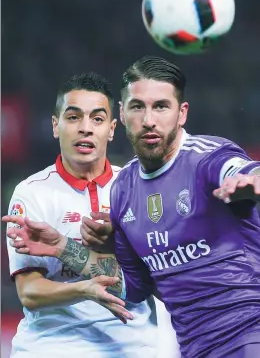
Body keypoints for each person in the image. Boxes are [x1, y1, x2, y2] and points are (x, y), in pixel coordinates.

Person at [5, 56, 260, 358]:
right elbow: (134, 286)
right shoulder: (124, 190)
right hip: (194, 347)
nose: (149, 119)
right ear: (124, 116)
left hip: (253, 331)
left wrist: (258, 182)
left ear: (182, 114)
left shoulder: (205, 159)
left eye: (161, 106)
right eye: (138, 107)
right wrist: (63, 247)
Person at [4, 71, 181, 358]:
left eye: (97, 119)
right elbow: (29, 293)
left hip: (135, 347)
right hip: (53, 346)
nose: (85, 128)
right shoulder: (32, 193)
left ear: (111, 129)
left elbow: (166, 282)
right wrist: (84, 290)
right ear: (55, 125)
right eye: (73, 117)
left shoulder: (142, 188)